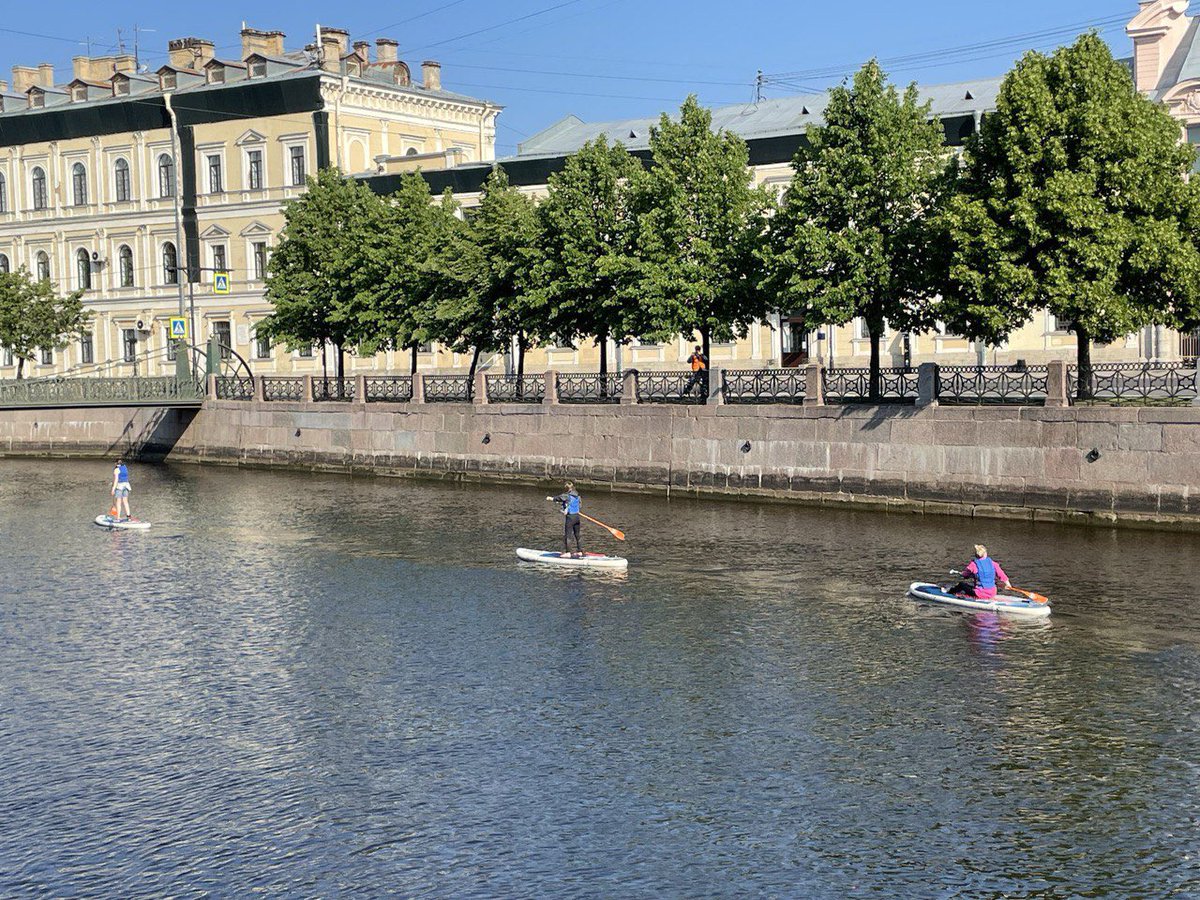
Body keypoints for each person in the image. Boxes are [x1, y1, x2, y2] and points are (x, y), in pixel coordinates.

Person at [547, 481, 583, 557]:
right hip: (577, 517)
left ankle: (568, 552)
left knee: (568, 535)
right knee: (577, 535)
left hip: (570, 518)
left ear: (566, 488)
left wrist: (551, 498)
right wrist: (564, 505)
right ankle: (580, 551)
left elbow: (558, 498)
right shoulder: (577, 495)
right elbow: (579, 505)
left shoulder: (566, 495)